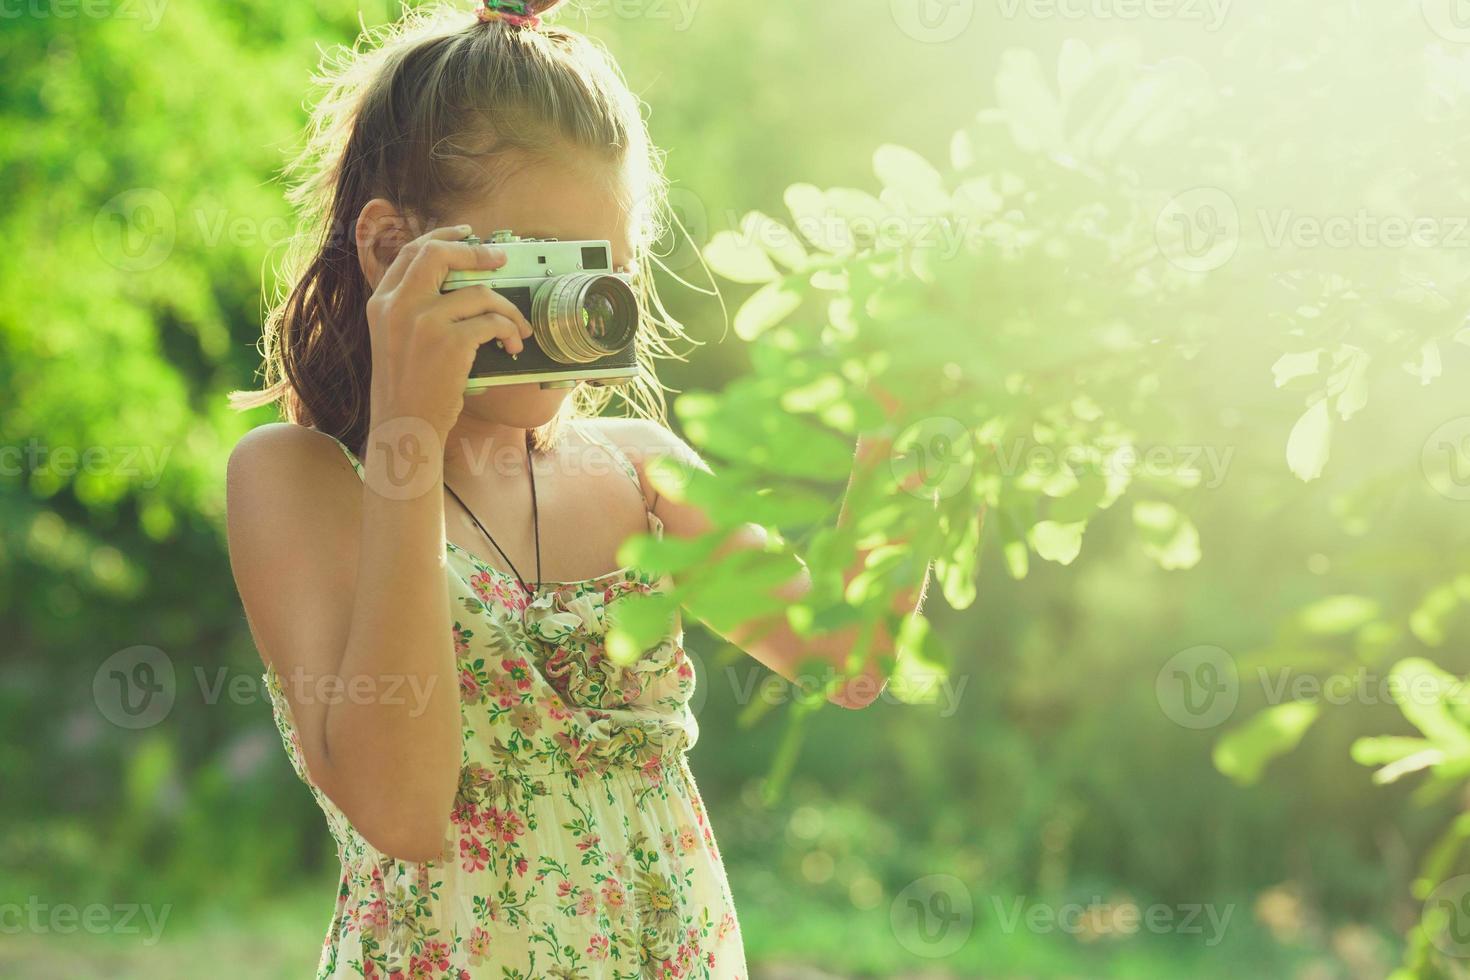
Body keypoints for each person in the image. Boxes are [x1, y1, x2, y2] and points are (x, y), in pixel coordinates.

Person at [225, 1, 926, 976]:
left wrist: (912, 431)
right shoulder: (298, 479)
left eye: (612, 268)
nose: (581, 305)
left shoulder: (640, 470)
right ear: (392, 248)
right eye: (546, 260)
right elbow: (402, 807)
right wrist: (408, 440)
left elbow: (846, 655)